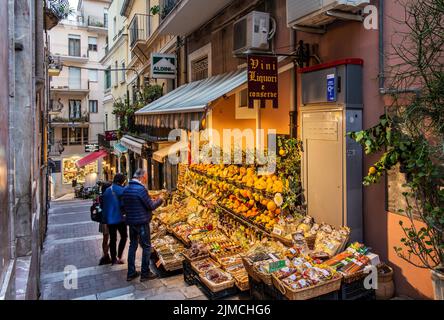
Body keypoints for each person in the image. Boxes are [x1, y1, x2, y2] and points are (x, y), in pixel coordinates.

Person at [121, 169, 164, 282]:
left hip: (131, 222)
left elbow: (123, 206)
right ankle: (145, 273)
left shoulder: (126, 189)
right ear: (142, 177)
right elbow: (151, 206)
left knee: (132, 246)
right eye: (146, 177)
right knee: (146, 247)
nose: (146, 179)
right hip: (142, 223)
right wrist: (160, 199)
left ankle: (131, 273)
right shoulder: (140, 189)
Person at [102, 173, 128, 265]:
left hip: (109, 219)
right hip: (120, 218)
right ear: (122, 181)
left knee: (113, 239)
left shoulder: (107, 190)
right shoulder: (122, 190)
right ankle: (119, 256)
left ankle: (113, 259)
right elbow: (124, 204)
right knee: (124, 236)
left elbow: (104, 205)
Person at [98, 182, 112, 265]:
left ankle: (106, 255)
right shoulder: (108, 197)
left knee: (105, 238)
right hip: (109, 220)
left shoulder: (102, 197)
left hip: (103, 221)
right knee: (111, 238)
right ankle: (106, 255)